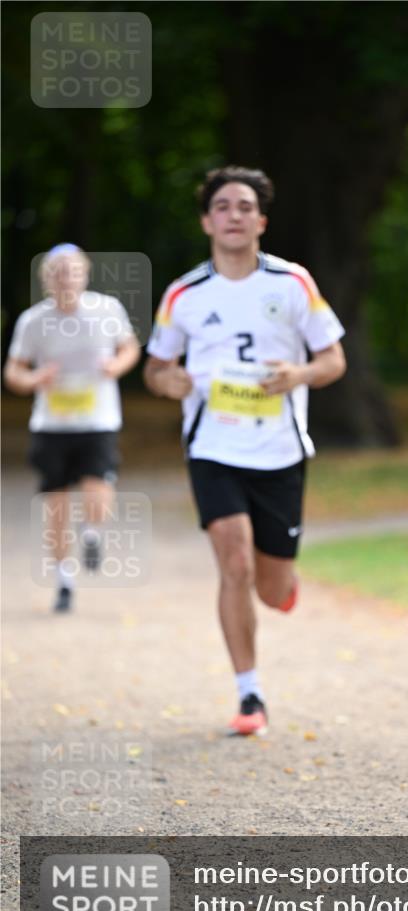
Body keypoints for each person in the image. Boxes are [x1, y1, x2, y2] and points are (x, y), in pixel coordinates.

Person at [144, 166, 346, 736]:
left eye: (245, 207)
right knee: (233, 562)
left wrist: (298, 374)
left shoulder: (293, 282)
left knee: (270, 587)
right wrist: (168, 382)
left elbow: (333, 360)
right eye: (222, 207)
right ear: (207, 222)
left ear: (261, 221)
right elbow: (156, 368)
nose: (234, 215)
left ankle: (281, 584)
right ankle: (249, 694)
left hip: (280, 451)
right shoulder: (183, 293)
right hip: (213, 446)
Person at [4, 244, 141, 612]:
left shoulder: (107, 310)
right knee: (57, 507)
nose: (65, 278)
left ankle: (92, 532)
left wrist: (116, 366)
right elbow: (13, 372)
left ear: (85, 274)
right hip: (51, 425)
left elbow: (129, 348)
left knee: (98, 492)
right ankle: (64, 580)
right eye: (57, 272)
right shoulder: (33, 321)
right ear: (45, 279)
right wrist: (34, 379)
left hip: (98, 420)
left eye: (72, 271)